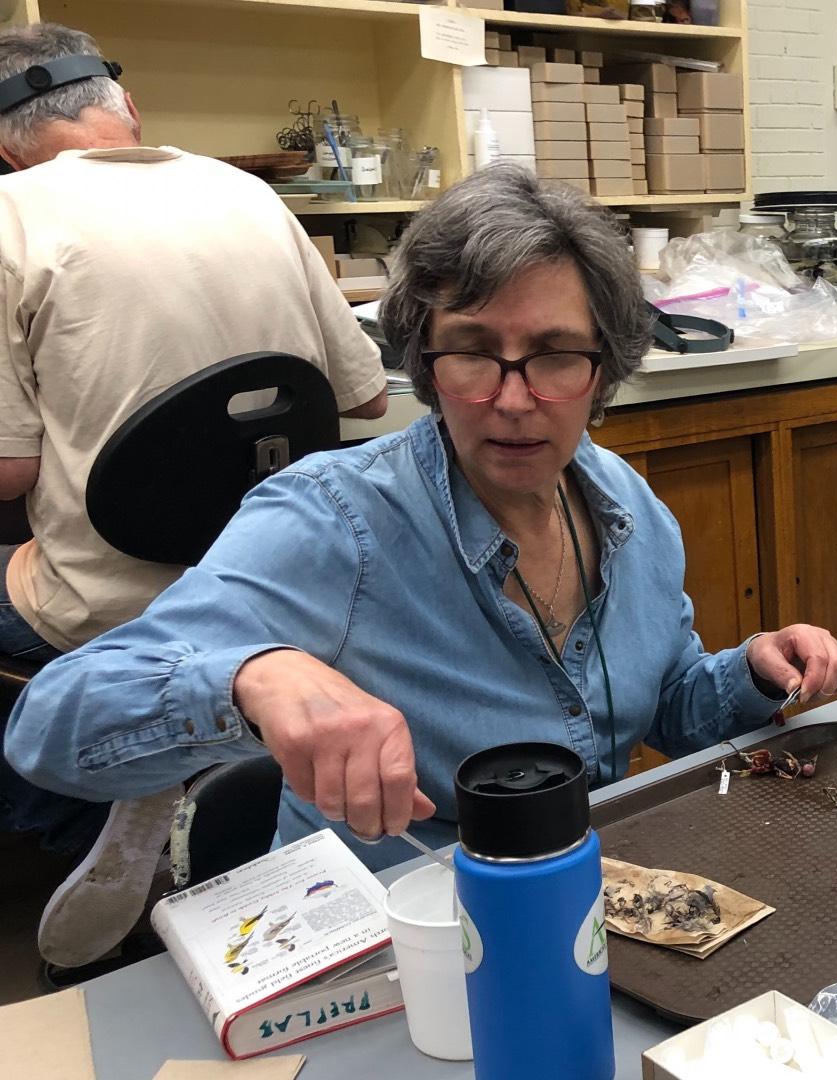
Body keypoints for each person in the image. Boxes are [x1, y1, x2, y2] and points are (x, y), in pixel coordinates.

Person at [4, 165, 837, 956]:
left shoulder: (624, 505)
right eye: (474, 352)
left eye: (555, 354)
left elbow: (661, 704)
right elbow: (50, 725)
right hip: (383, 945)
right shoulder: (335, 518)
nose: (513, 400)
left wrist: (751, 675)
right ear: (424, 359)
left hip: (575, 923)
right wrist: (251, 680)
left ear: (605, 368)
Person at [0, 23, 389, 969]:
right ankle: (195, 777)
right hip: (288, 590)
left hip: (121, 606)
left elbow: (9, 474)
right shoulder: (249, 193)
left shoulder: (10, 214)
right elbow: (366, 398)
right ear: (128, 112)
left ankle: (96, 804)